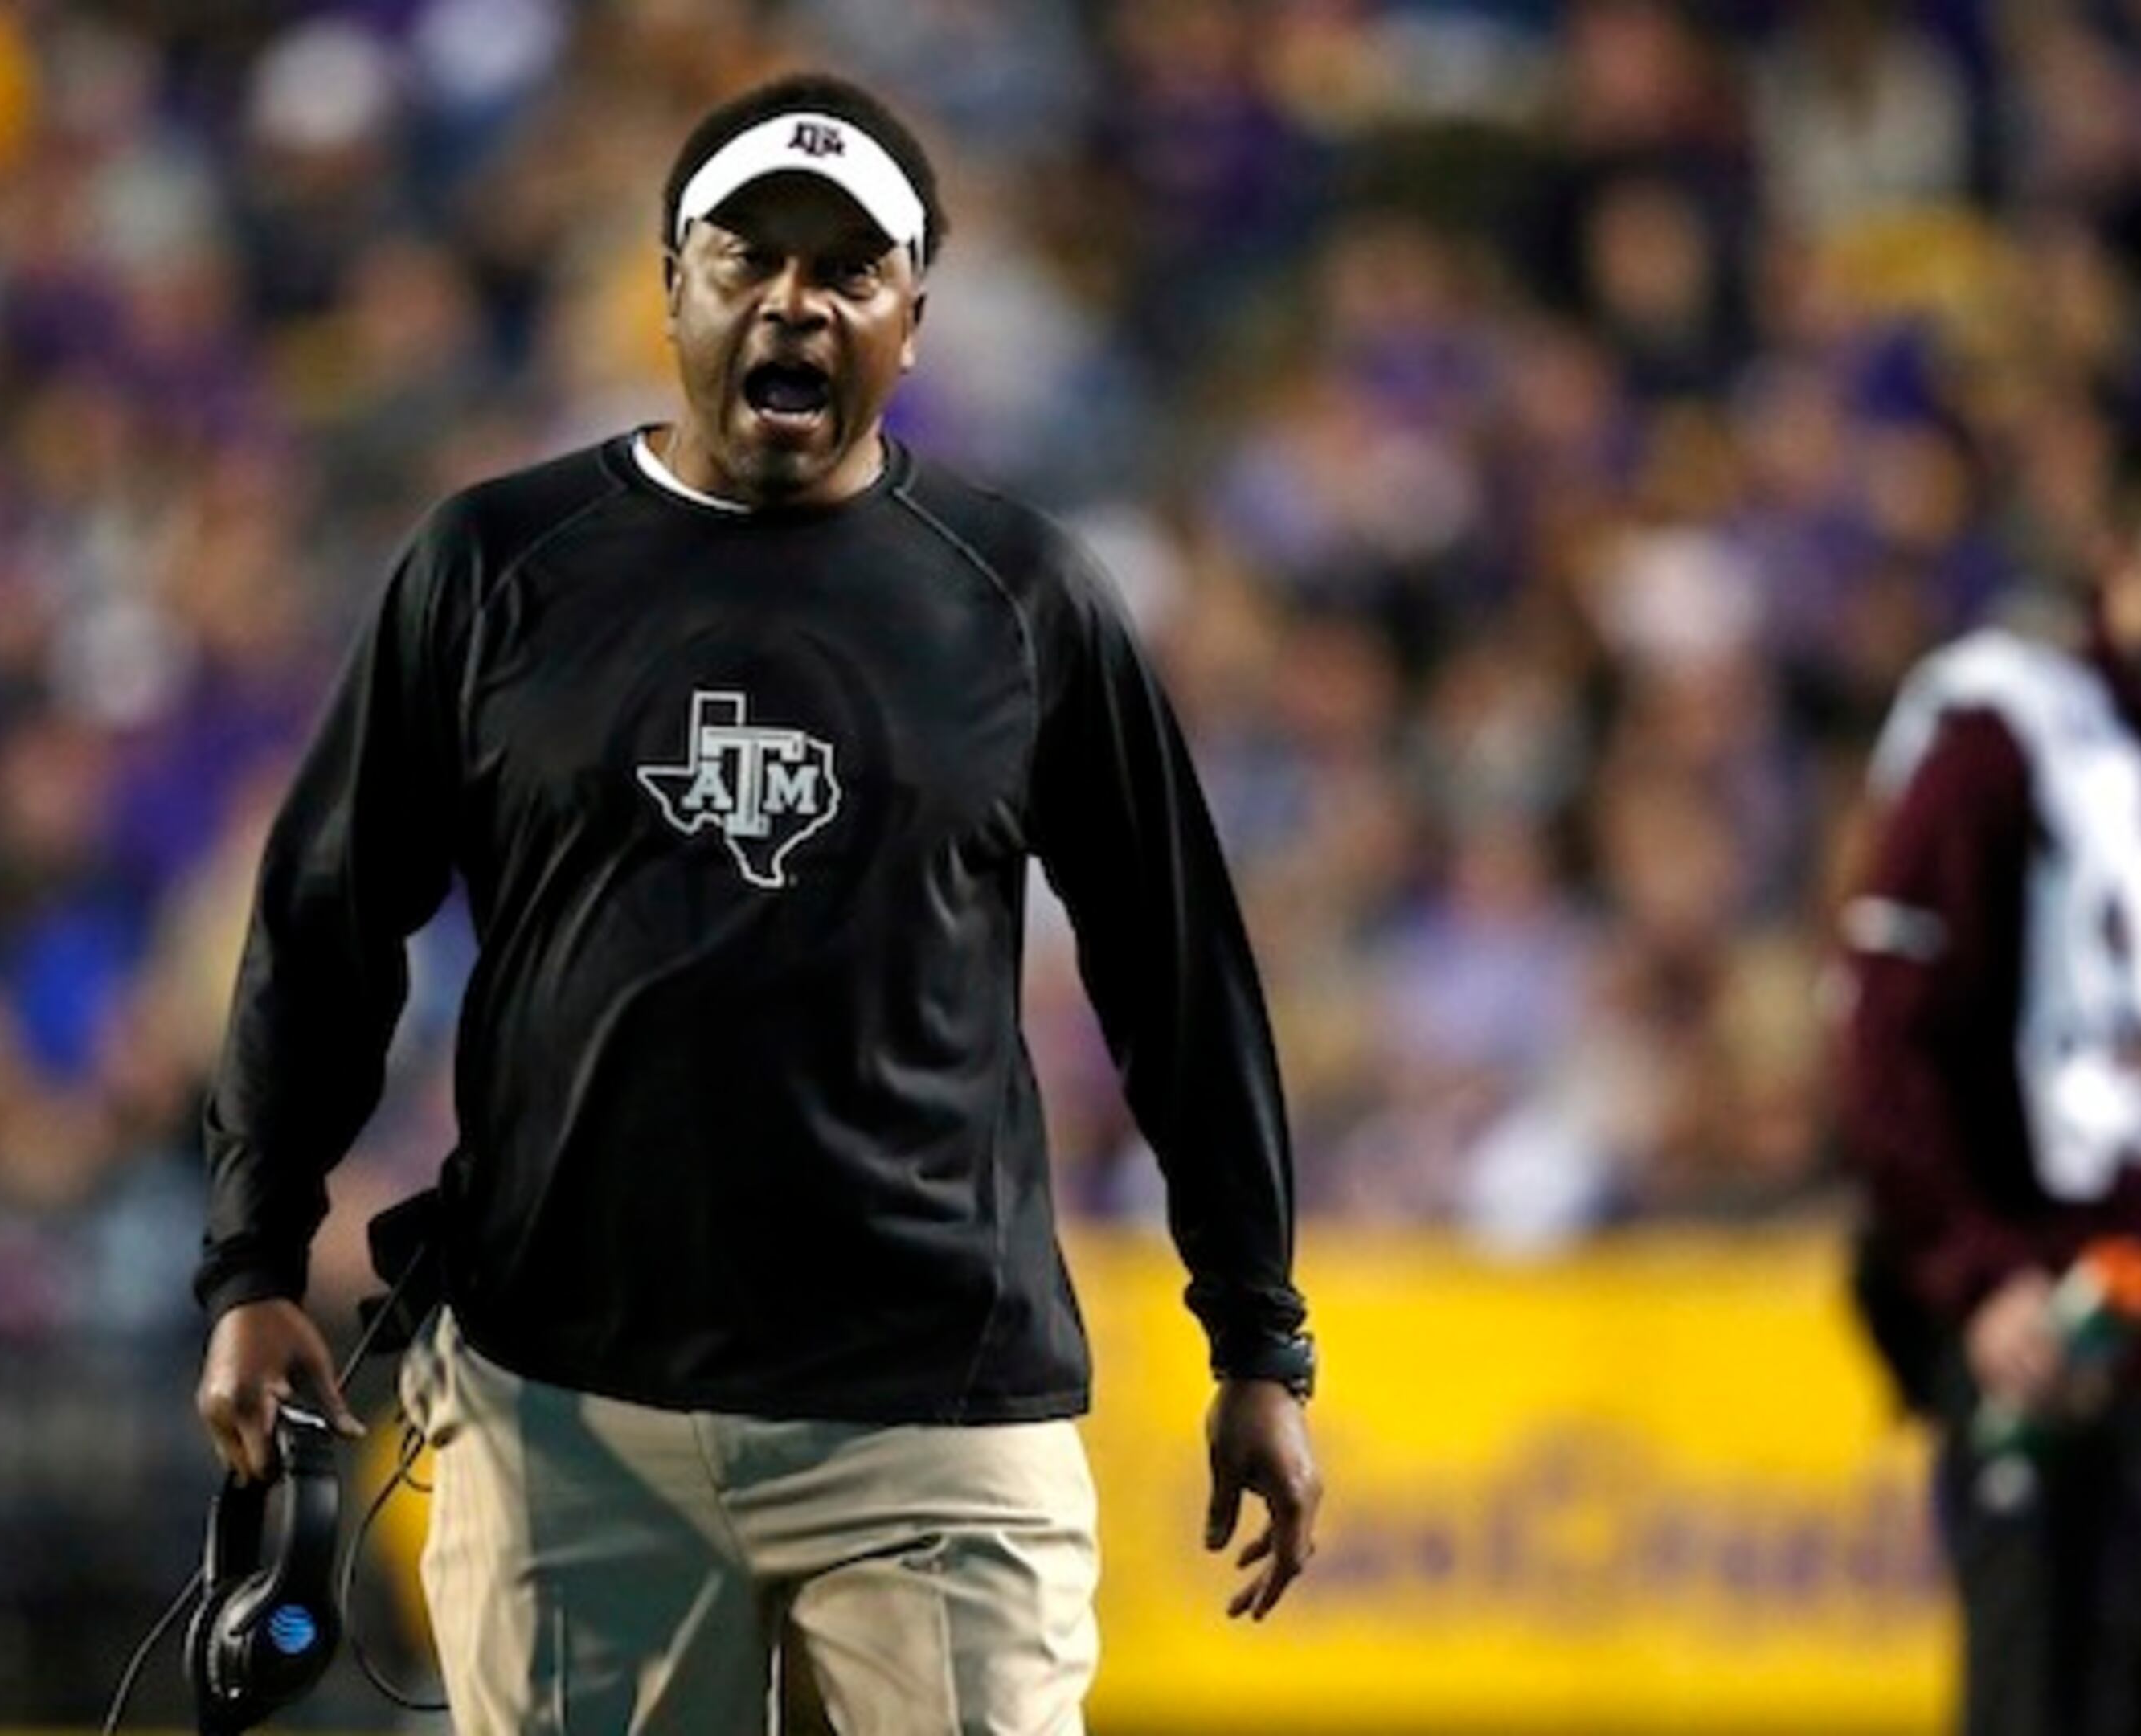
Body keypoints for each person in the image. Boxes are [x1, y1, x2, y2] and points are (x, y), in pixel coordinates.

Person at [191, 70, 1320, 1734]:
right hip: (569, 1411)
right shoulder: (492, 566)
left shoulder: (1025, 600)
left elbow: (1180, 980)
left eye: (849, 269)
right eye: (749, 259)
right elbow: (323, 932)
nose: (796, 302)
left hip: (936, 1408)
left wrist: (1258, 1341)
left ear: (913, 320)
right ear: (671, 288)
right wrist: (252, 1263)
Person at [1839, 429, 2141, 1736]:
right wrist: (1979, 1274)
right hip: (2064, 1335)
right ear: (2118, 553)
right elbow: (1888, 1038)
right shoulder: (2007, 738)